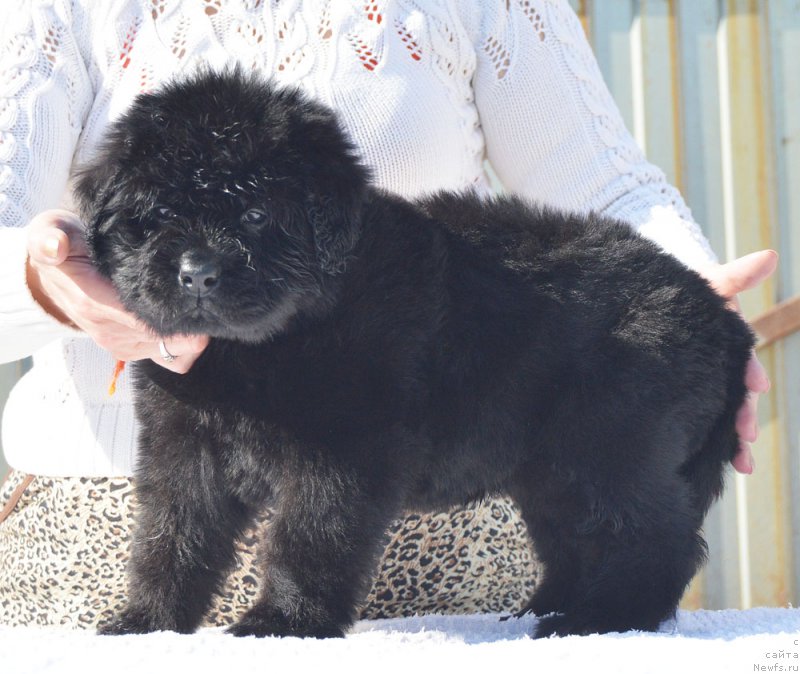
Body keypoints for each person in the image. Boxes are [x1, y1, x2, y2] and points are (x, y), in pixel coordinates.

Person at [0, 0, 775, 628]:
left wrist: (686, 313)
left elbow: (609, 188)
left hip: (451, 545)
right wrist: (45, 282)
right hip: (95, 536)